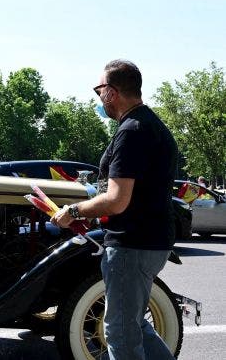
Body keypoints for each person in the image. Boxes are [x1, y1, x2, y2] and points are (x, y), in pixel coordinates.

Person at [51, 60, 177, 360]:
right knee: (135, 327)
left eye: (99, 90)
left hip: (132, 245)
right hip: (150, 241)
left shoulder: (132, 131)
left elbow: (118, 199)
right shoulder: (149, 125)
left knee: (120, 332)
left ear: (112, 92)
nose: (98, 98)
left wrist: (74, 211)